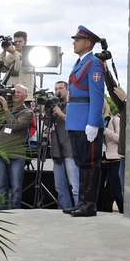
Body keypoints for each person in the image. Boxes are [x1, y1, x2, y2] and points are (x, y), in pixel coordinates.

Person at [63, 25, 106, 217]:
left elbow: (97, 96)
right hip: (76, 121)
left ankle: (89, 204)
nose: (74, 42)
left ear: (87, 43)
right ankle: (81, 202)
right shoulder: (80, 62)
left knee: (90, 163)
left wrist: (93, 122)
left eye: (77, 39)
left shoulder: (94, 63)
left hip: (87, 121)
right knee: (81, 162)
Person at [0, 84, 33, 210]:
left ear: (26, 96)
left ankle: (15, 214)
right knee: (0, 187)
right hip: (1, 152)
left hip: (16, 154)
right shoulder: (4, 109)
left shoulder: (27, 112)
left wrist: (6, 109)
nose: (15, 94)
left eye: (19, 92)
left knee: (16, 187)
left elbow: (14, 126)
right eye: (14, 92)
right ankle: (1, 213)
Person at [48, 81, 79, 210]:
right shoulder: (54, 107)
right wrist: (47, 113)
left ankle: (78, 209)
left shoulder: (72, 105)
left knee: (75, 186)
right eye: (56, 88)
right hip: (57, 151)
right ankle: (63, 210)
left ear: (67, 91)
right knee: (60, 187)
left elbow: (75, 122)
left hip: (70, 151)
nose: (58, 91)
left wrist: (60, 113)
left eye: (61, 88)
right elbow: (47, 126)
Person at [100, 107, 123, 213]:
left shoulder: (115, 120)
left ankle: (123, 212)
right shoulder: (93, 124)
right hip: (100, 160)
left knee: (116, 192)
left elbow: (120, 139)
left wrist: (105, 130)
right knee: (98, 192)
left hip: (114, 161)